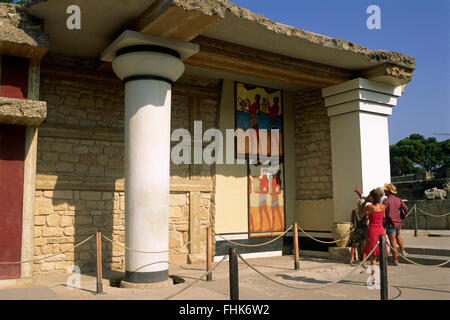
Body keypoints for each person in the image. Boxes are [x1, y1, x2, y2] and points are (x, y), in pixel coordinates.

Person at [358, 188, 387, 285]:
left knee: (373, 257)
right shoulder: (383, 206)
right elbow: (384, 218)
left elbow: (359, 213)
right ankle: (384, 279)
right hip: (381, 231)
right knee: (383, 257)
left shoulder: (369, 207)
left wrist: (364, 203)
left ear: (373, 197)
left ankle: (374, 279)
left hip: (372, 232)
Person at [383, 183, 408, 265]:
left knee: (392, 241)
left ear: (388, 191)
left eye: (385, 190)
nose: (384, 191)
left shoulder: (385, 201)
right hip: (398, 222)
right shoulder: (398, 199)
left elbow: (383, 214)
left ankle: (395, 260)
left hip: (390, 223)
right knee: (398, 236)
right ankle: (403, 251)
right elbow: (405, 208)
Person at [348, 199, 368, 264]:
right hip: (365, 230)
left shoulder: (354, 211)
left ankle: (351, 259)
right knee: (363, 245)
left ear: (358, 204)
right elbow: (368, 218)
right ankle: (364, 260)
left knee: (354, 245)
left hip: (357, 230)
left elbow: (351, 220)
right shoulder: (366, 211)